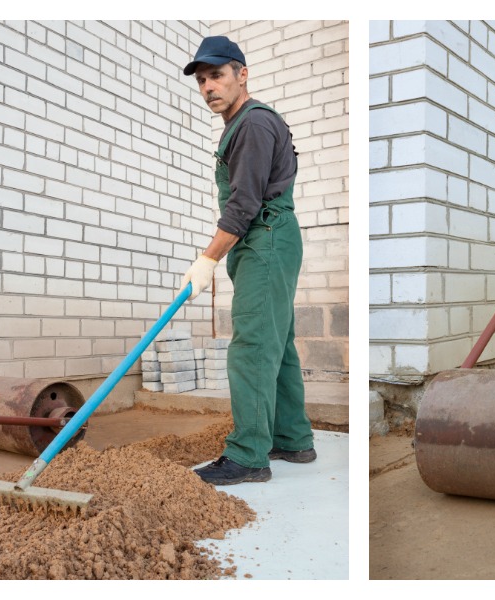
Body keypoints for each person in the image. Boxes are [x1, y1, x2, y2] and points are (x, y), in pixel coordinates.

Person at [177, 36, 315, 485]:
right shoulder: (243, 124)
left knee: (253, 344)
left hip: (266, 235)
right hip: (270, 237)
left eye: (216, 75)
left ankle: (249, 455)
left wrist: (207, 259)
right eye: (201, 81)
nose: (207, 88)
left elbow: (244, 203)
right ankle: (292, 439)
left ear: (242, 74)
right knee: (277, 341)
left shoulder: (253, 124)